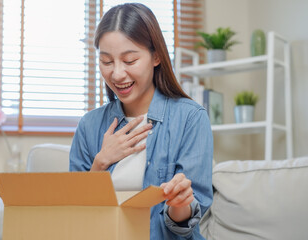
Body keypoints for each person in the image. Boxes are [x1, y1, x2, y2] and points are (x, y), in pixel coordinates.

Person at [69, 3, 213, 240]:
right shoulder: (89, 126)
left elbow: (186, 225)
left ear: (156, 56)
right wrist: (100, 163)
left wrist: (179, 203)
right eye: (106, 61)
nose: (116, 74)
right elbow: (77, 216)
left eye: (129, 60)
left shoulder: (190, 118)